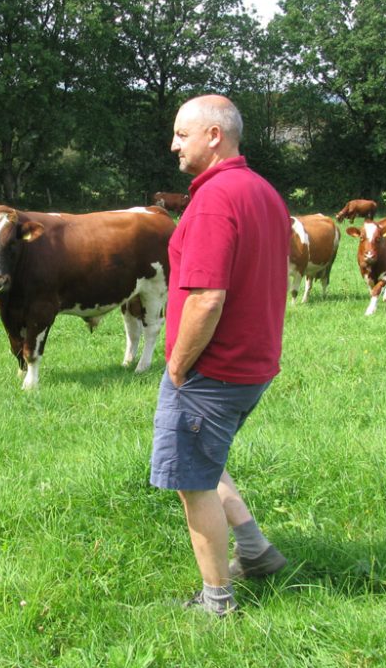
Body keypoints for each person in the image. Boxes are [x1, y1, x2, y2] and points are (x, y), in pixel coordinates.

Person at [150, 94, 290, 617]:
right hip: (253, 363)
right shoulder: (262, 191)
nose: (173, 145)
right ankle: (256, 553)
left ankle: (216, 602)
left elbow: (208, 296)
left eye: (181, 135)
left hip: (213, 368)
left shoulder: (214, 199)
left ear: (214, 135)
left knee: (191, 481)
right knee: (207, 462)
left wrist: (179, 365)